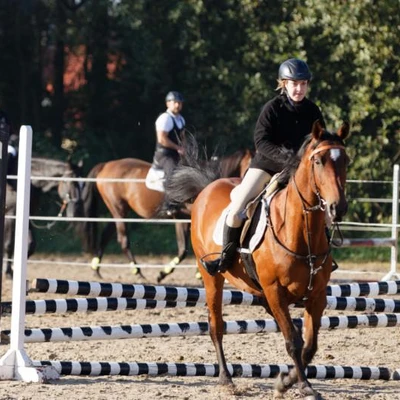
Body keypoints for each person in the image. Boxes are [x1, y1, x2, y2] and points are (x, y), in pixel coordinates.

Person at [203, 58, 330, 276]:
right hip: (267, 166)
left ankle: (323, 260)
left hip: (299, 172)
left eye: (303, 84)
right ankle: (226, 256)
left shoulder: (312, 111)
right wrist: (286, 158)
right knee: (237, 209)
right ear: (284, 84)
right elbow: (261, 141)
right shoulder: (272, 108)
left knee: (325, 211)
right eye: (293, 83)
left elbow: (320, 142)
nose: (299, 88)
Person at [152, 91, 186, 182]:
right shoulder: (165, 118)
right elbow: (162, 139)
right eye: (175, 102)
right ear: (168, 103)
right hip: (164, 155)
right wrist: (178, 148)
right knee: (172, 177)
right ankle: (169, 195)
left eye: (179, 103)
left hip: (176, 154)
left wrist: (185, 148)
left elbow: (182, 137)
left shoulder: (181, 119)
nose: (177, 105)